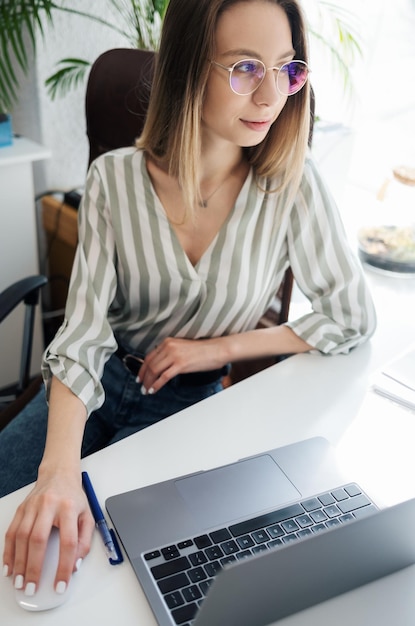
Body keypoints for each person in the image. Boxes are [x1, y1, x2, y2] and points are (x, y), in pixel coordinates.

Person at [2, 0, 376, 600]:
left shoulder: (291, 185)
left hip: (190, 404)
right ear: (187, 70)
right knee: (15, 514)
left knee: (111, 574)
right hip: (93, 384)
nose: (269, 96)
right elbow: (83, 334)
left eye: (286, 69)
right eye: (245, 67)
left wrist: (217, 350)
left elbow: (350, 316)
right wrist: (58, 470)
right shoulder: (114, 181)